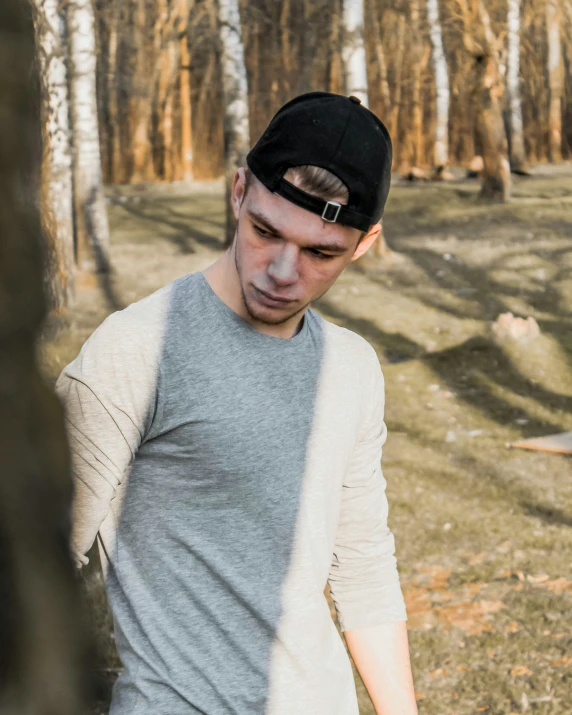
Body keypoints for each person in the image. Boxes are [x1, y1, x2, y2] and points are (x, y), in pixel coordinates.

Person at [56, 92, 418, 715]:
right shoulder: (136, 351)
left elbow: (363, 572)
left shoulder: (353, 368)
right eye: (265, 231)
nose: (282, 270)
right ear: (238, 193)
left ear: (364, 244)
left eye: (320, 252)